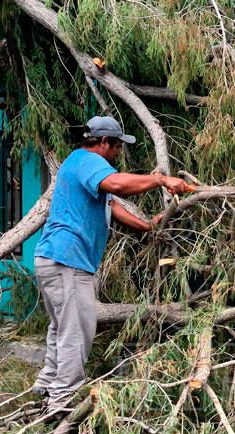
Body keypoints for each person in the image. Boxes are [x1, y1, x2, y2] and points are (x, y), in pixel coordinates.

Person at [31, 116, 194, 412]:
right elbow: (117, 185)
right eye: (117, 146)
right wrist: (160, 180)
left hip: (53, 259)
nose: (119, 152)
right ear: (104, 142)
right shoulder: (88, 161)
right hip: (68, 260)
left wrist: (148, 226)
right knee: (77, 330)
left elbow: (113, 205)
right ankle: (62, 401)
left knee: (62, 327)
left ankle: (47, 387)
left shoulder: (78, 164)